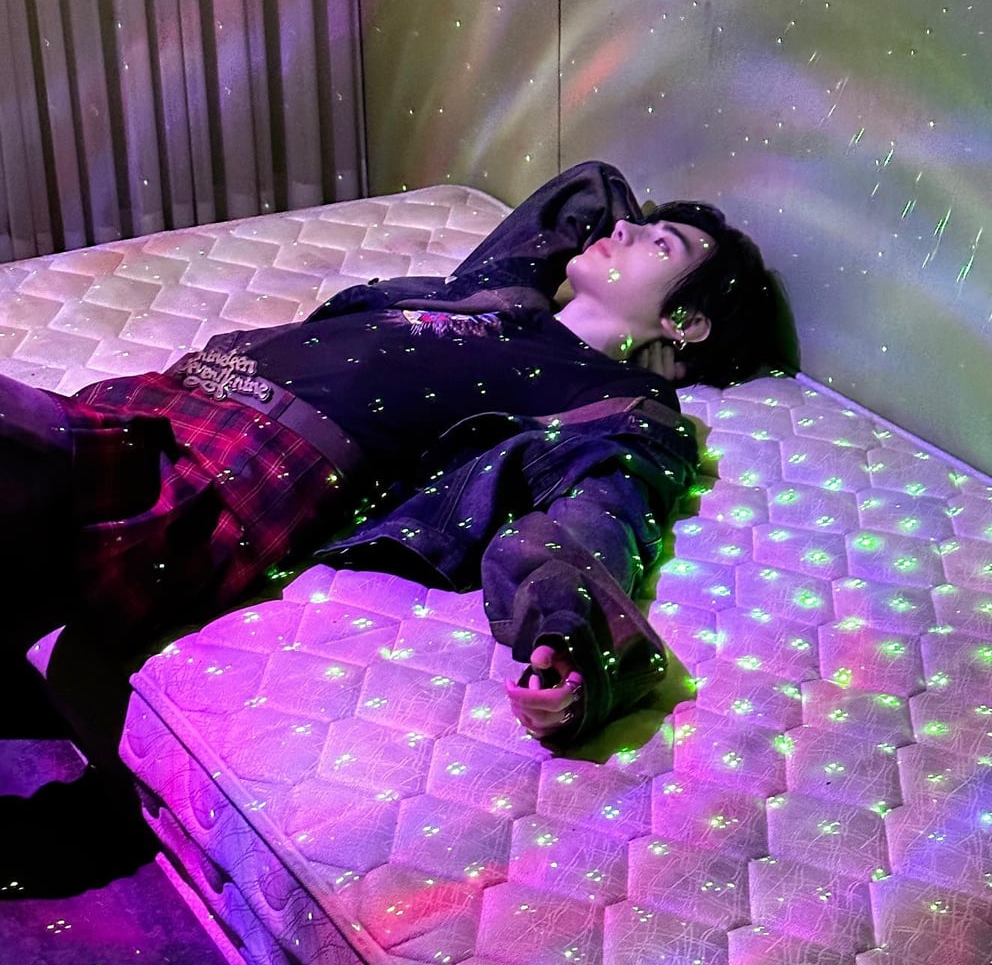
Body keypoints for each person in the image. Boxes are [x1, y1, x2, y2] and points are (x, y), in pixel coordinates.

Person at [1, 161, 783, 744]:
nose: (621, 229)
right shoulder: (498, 298)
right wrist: (636, 246)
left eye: (658, 242)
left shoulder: (618, 401)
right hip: (163, 394)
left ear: (687, 322)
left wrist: (571, 631)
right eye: (632, 222)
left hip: (235, 462)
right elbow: (587, 187)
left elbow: (603, 512)